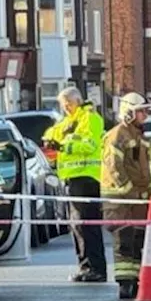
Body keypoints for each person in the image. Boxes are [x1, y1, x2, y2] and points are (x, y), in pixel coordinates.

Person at [43, 86, 107, 283]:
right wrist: (52, 139)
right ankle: (85, 266)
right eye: (63, 105)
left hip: (86, 177)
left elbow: (90, 146)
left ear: (77, 101)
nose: (65, 108)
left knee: (87, 225)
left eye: (67, 104)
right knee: (77, 225)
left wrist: (63, 146)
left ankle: (95, 268)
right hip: (73, 178)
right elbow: (49, 134)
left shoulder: (90, 118)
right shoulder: (71, 121)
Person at [100, 92, 151, 300]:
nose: (145, 116)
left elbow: (143, 168)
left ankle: (134, 281)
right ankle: (125, 284)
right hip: (120, 201)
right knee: (124, 241)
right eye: (142, 111)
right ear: (129, 112)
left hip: (137, 199)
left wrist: (149, 191)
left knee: (137, 240)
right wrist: (129, 190)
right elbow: (114, 168)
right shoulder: (117, 135)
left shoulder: (139, 136)